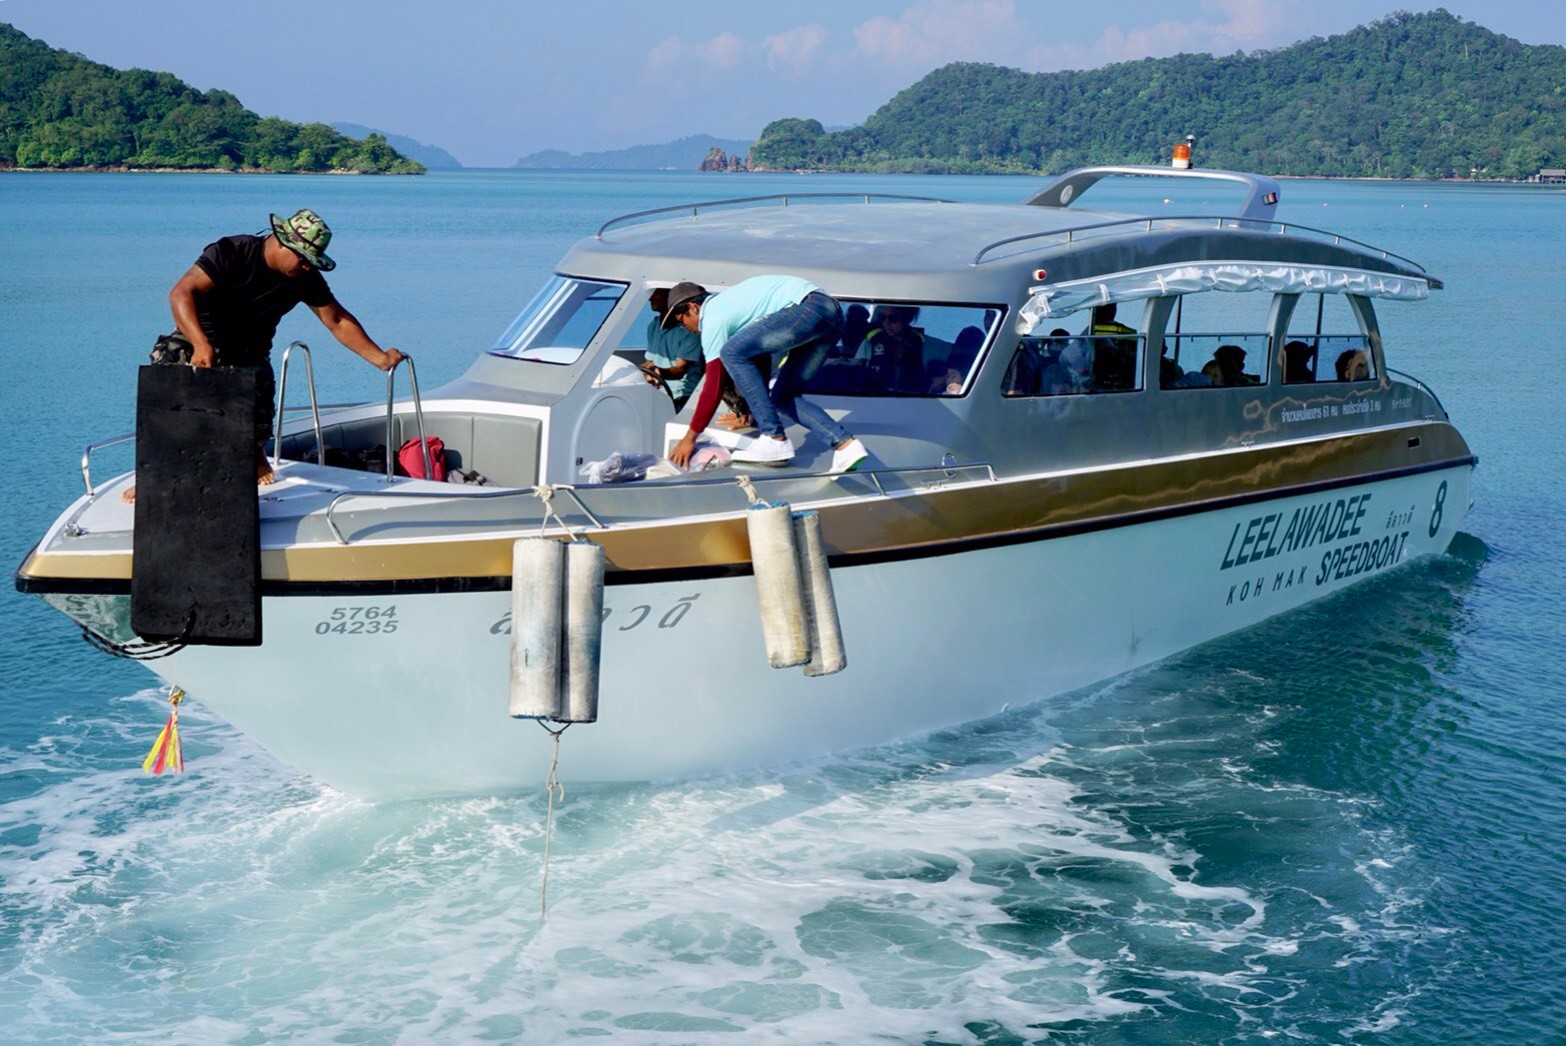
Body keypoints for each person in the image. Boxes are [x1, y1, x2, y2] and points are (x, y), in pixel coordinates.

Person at [123, 209, 404, 503]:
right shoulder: (233, 251)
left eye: (312, 261)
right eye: (303, 258)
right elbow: (181, 293)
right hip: (198, 337)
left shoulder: (304, 277)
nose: (308, 267)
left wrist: (380, 358)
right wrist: (201, 344)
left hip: (250, 351)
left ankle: (255, 454)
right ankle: (151, 473)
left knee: (257, 418)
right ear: (282, 242)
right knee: (168, 379)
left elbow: (336, 319)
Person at [662, 277, 867, 472]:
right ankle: (846, 446)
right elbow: (758, 361)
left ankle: (774, 439)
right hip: (832, 314)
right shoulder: (733, 310)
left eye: (681, 322)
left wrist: (689, 438)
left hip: (808, 307)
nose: (685, 329)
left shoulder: (713, 317)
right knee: (783, 398)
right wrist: (752, 412)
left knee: (730, 352)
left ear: (693, 307)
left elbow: (714, 384)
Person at [639, 288, 705, 410]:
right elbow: (651, 361)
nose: (650, 297)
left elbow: (680, 370)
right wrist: (636, 372)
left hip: (683, 398)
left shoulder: (690, 330)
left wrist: (658, 373)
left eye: (656, 293)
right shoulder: (653, 326)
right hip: (658, 395)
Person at [857, 305, 926, 393]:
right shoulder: (870, 343)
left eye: (893, 318)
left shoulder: (922, 344)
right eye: (882, 317)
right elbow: (855, 375)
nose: (886, 323)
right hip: (874, 400)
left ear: (907, 318)